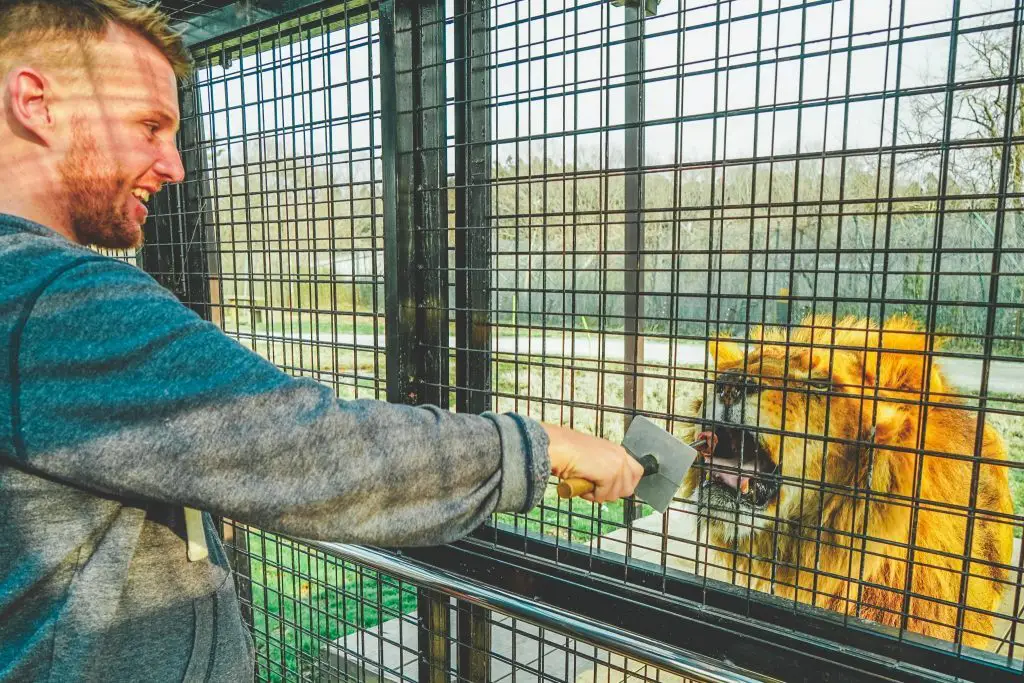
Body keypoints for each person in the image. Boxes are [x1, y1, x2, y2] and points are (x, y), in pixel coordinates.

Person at [0, 1, 644, 681]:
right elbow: (300, 447)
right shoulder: (50, 295)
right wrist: (538, 445)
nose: (174, 164)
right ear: (36, 102)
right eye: (150, 125)